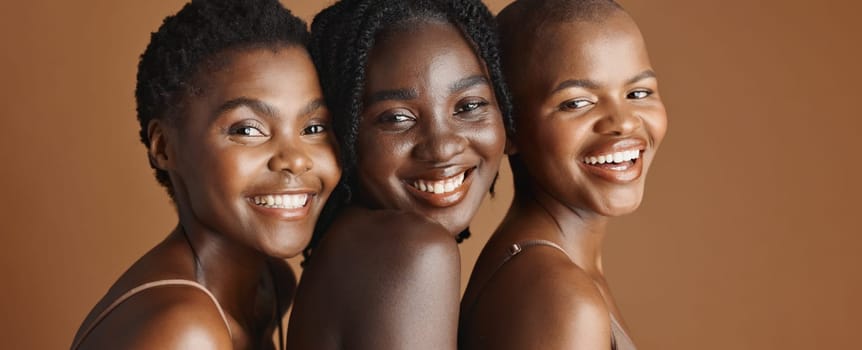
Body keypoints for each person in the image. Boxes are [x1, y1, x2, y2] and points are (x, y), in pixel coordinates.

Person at [70, 0, 340, 348]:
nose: (295, 160)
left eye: (314, 127)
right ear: (164, 147)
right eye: (247, 130)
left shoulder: (270, 285)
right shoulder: (185, 331)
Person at [286, 0, 513, 349]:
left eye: (468, 106)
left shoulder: (353, 245)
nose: (441, 148)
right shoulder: (412, 252)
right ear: (345, 132)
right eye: (396, 118)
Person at [459, 0, 668, 349]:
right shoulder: (558, 295)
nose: (624, 121)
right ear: (508, 128)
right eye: (576, 102)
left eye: (639, 93)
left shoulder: (555, 271)